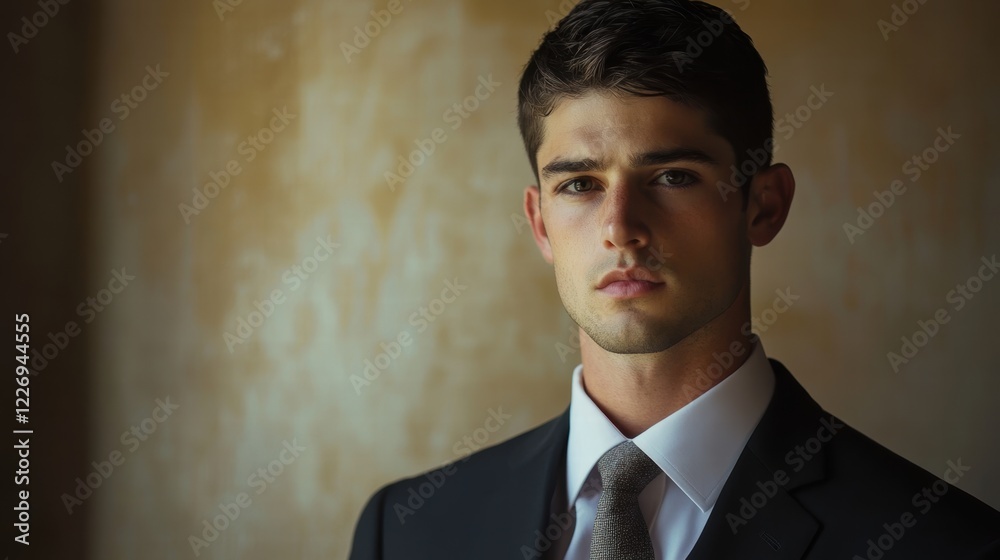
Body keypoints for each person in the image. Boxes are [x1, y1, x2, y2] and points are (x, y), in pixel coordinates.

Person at [349, 1, 1000, 558]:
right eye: (579, 184)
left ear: (764, 206)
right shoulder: (405, 531)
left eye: (672, 177)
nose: (621, 228)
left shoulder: (945, 542)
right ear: (540, 222)